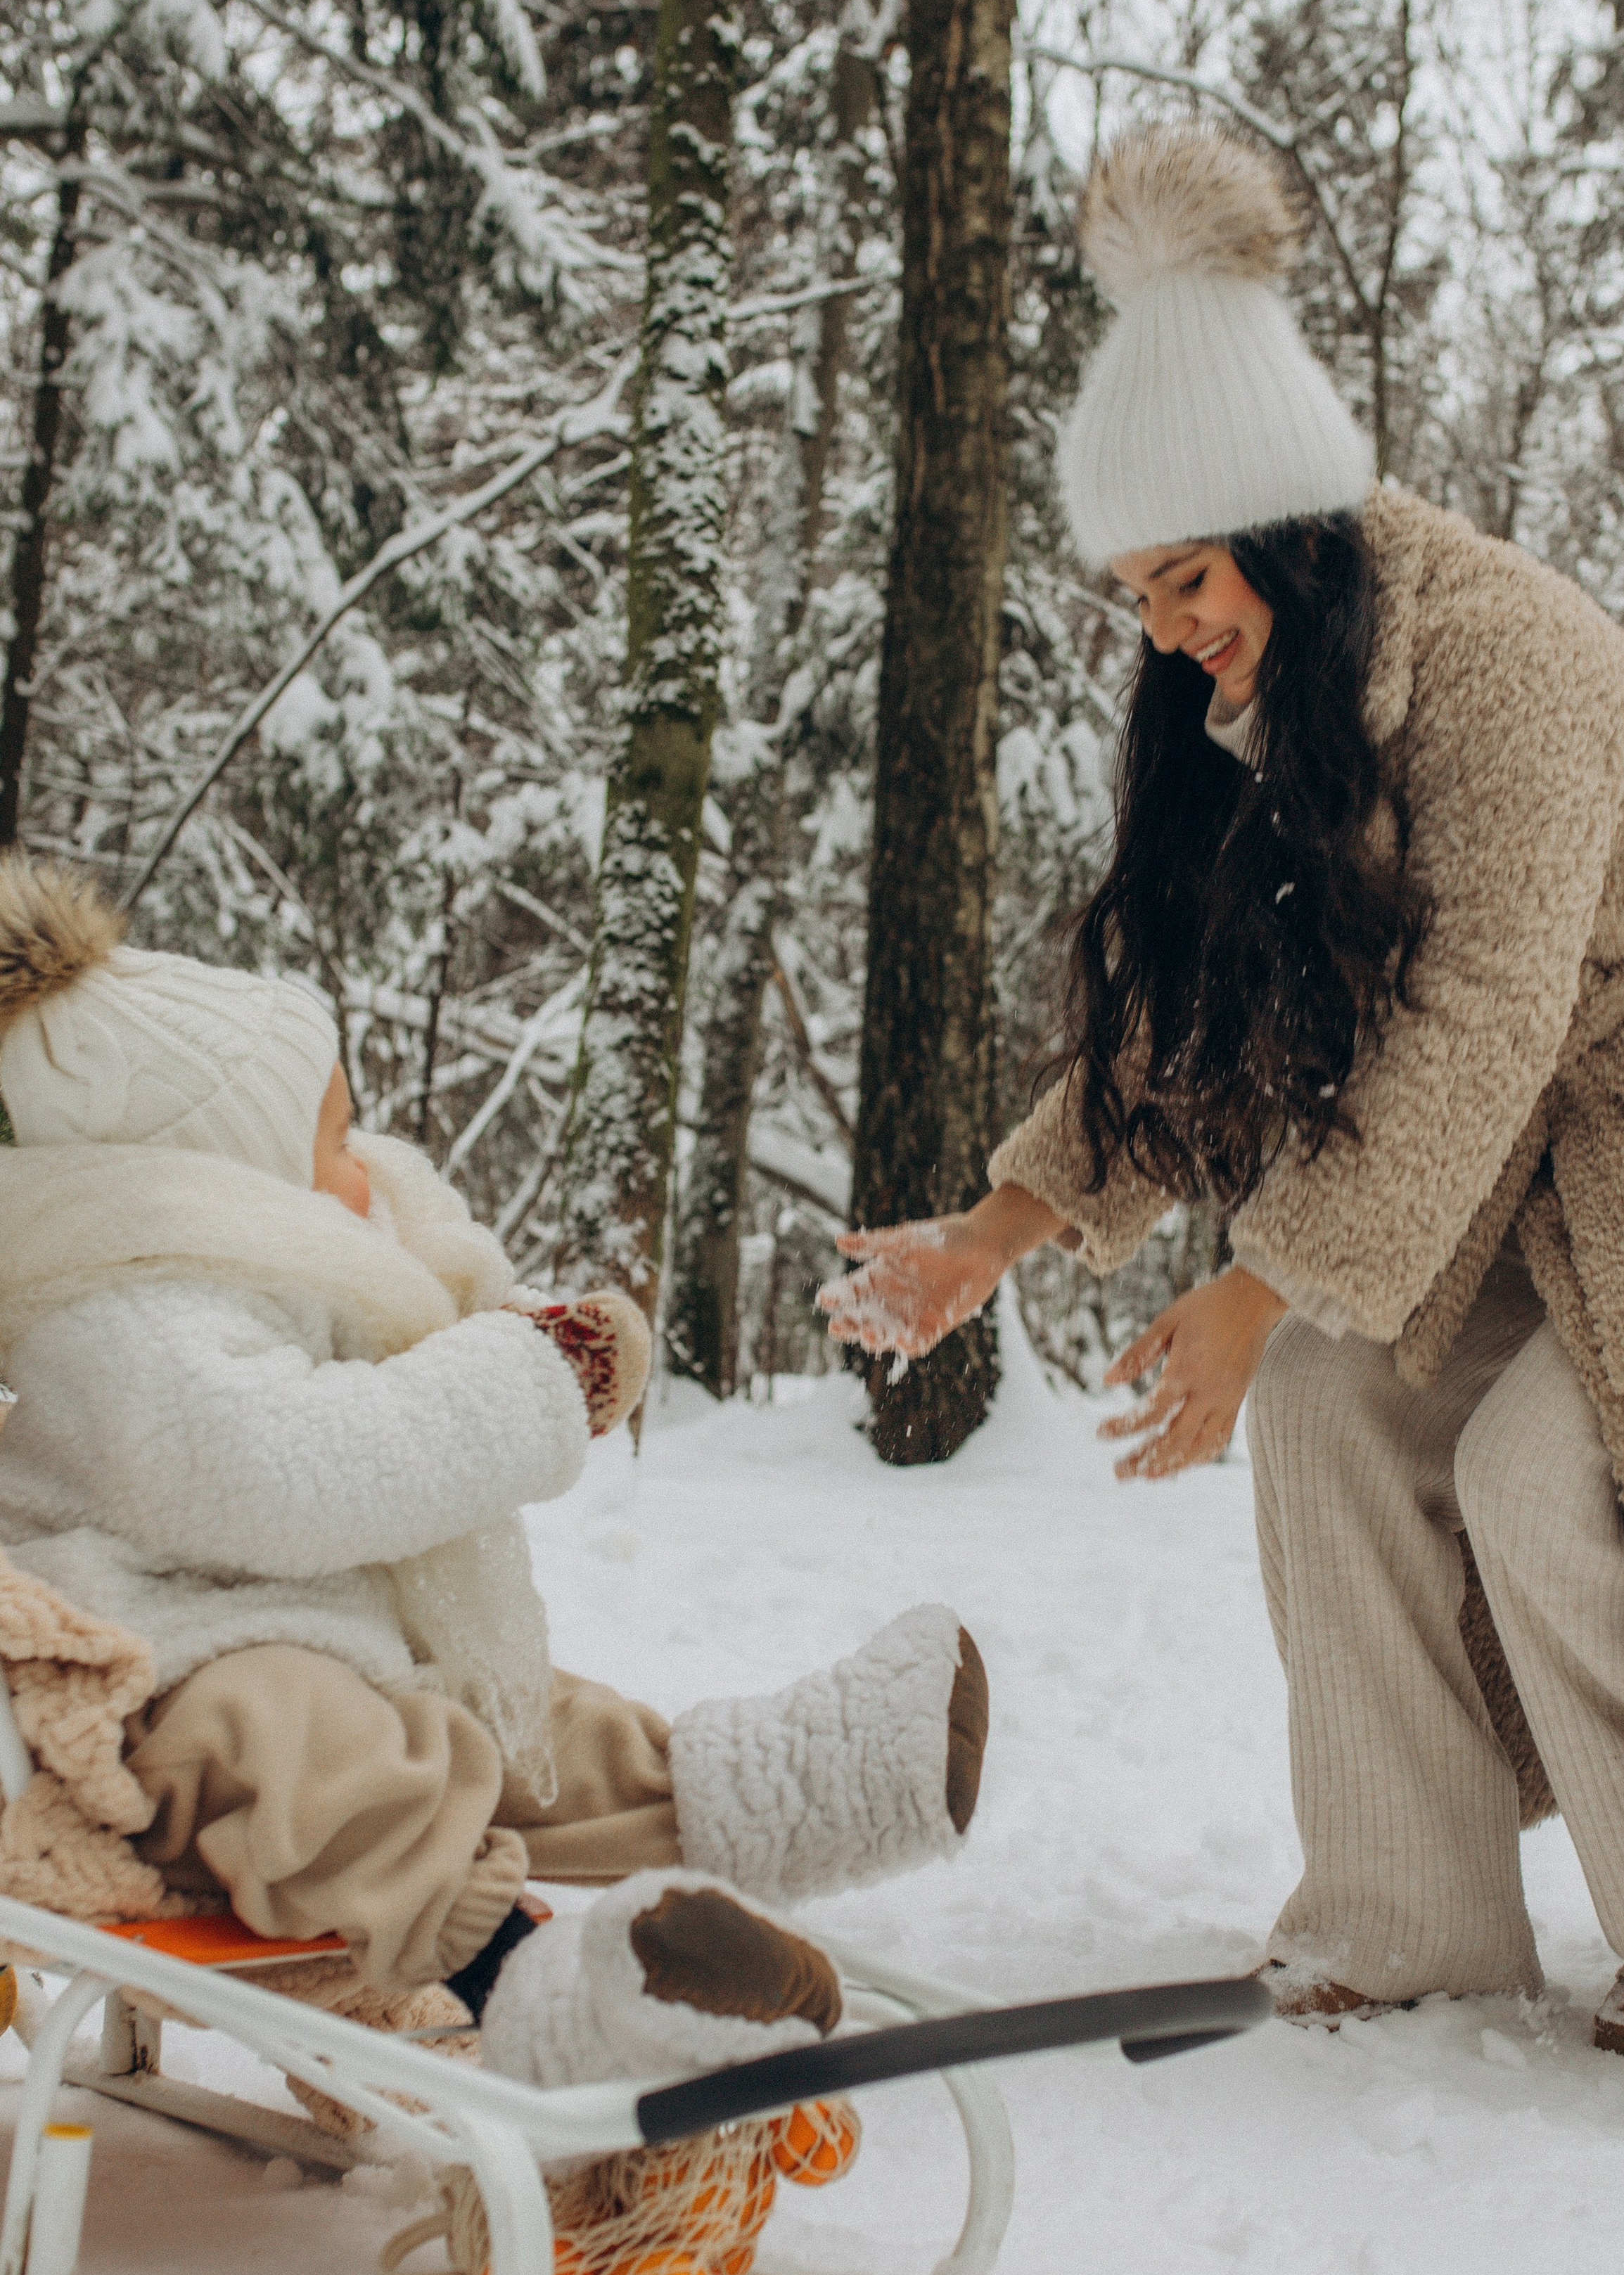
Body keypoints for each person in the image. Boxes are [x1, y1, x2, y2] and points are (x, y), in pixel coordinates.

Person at [822, 119, 1624, 2079]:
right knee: (1332, 1405)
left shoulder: (1507, 663)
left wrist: (1261, 1277)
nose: (1165, 629)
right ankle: (1403, 1915)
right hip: (1529, 1182)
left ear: (1287, 529)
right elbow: (1194, 1008)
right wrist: (996, 1232)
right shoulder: (1271, 705)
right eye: (1136, 593)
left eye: (1187, 578)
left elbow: (1478, 1015)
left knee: (1537, 1475)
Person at [0, 855, 987, 2087]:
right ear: (217, 1168)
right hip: (169, 1702)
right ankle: (525, 1978)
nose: (367, 1171)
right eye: (334, 1141)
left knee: (514, 1714)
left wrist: (547, 1355)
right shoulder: (120, 1322)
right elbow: (295, 1467)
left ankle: (785, 1786)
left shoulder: (243, 1286)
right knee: (335, 1750)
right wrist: (525, 1383)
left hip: (314, 1639)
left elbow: (388, 1389)